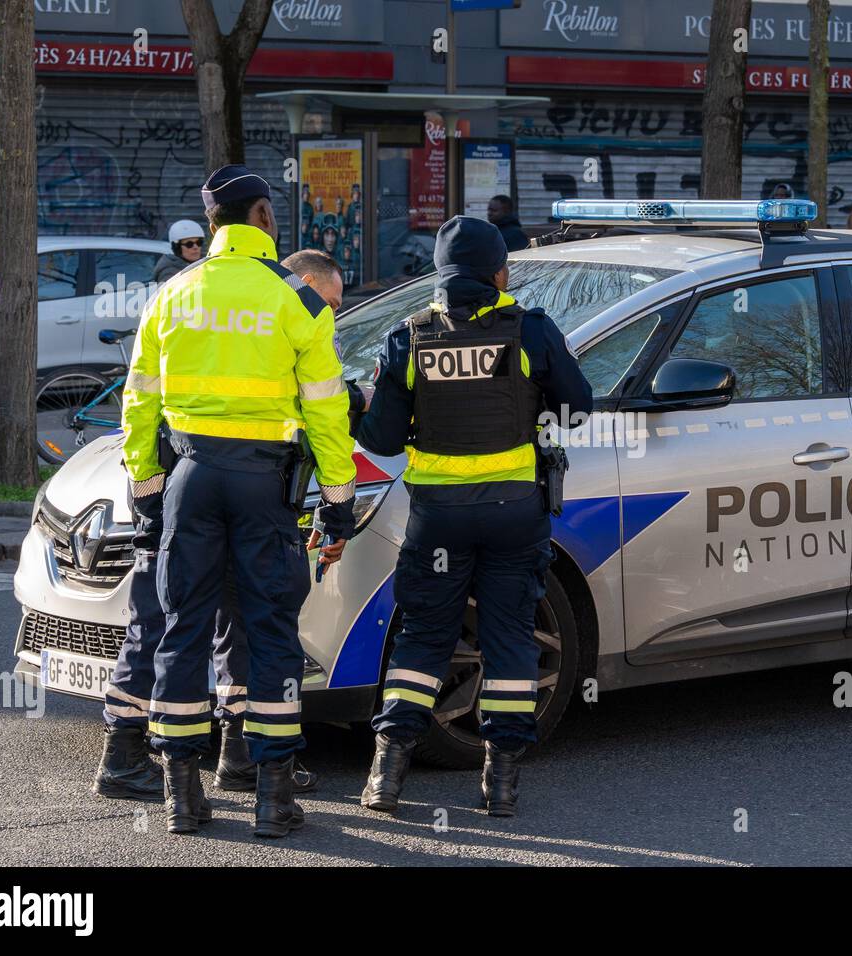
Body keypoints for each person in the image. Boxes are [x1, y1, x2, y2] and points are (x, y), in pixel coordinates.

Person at [121, 164, 356, 838]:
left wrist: (148, 495)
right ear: (260, 218)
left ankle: (180, 798)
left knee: (183, 627)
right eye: (272, 213)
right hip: (264, 486)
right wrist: (337, 507)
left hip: (191, 479)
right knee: (271, 631)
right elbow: (327, 416)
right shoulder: (299, 302)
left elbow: (139, 405)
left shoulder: (171, 295)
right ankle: (272, 797)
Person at [356, 215, 592, 817]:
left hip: (438, 519)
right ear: (499, 272)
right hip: (513, 511)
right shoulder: (531, 330)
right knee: (510, 637)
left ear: (441, 275)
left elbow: (381, 439)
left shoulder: (409, 337)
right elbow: (578, 408)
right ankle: (502, 781)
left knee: (425, 637)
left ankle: (387, 774)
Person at [153, 220, 206, 285]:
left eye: (199, 243)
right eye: (189, 244)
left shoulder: (205, 263)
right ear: (176, 247)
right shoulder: (169, 273)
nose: (195, 247)